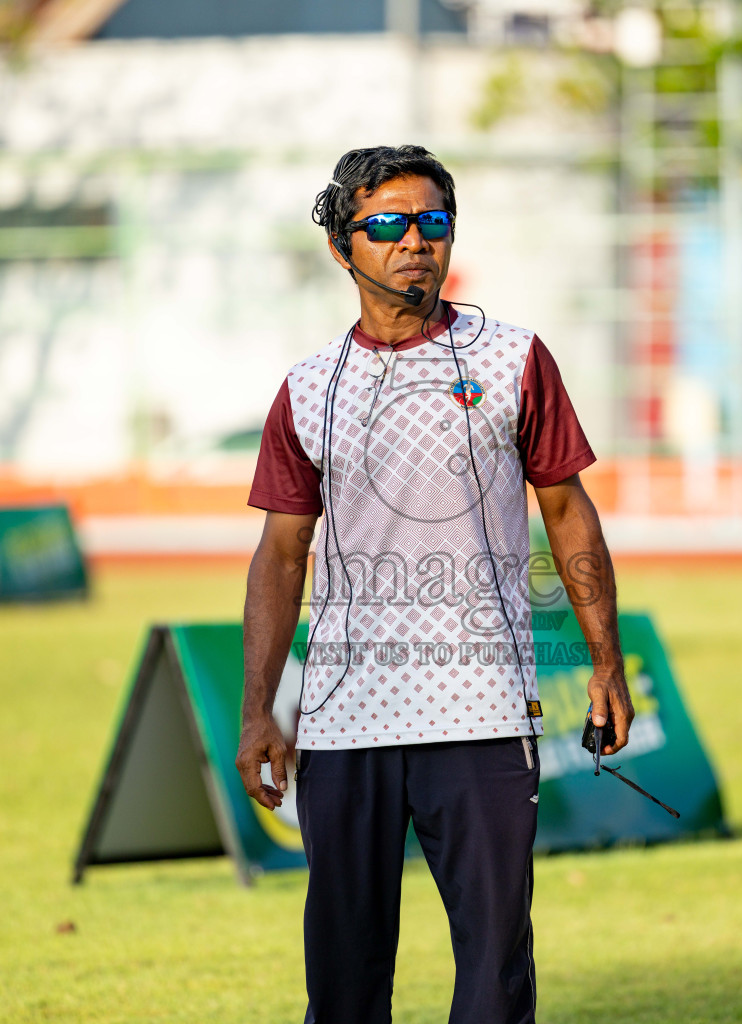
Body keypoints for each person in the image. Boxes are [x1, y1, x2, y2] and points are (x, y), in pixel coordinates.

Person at [235, 144, 633, 1024]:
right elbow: (281, 556)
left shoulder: (514, 358)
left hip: (481, 713)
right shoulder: (307, 389)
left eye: (433, 222)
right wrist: (260, 709)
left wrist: (605, 662)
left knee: (494, 975)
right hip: (344, 720)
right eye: (388, 224)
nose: (415, 241)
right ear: (342, 246)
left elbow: (567, 512)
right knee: (343, 984)